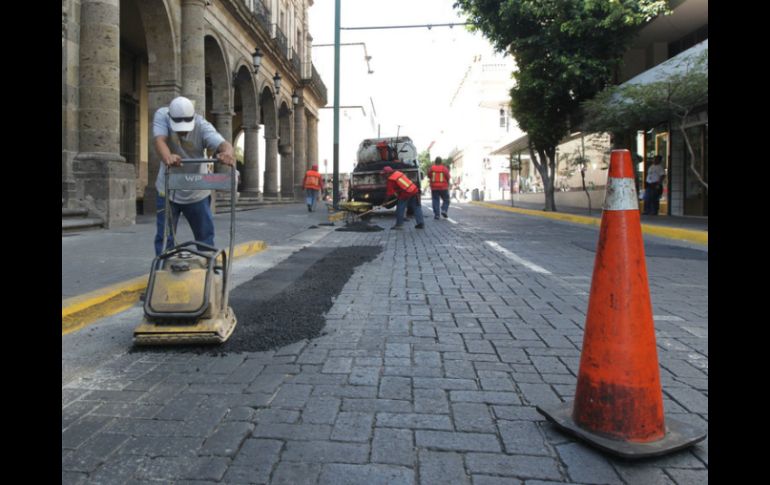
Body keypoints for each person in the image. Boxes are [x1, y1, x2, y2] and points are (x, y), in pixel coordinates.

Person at [152, 96, 235, 255]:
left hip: (197, 191)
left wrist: (227, 153)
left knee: (205, 239)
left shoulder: (202, 125)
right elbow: (159, 141)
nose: (182, 131)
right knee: (164, 238)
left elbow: (224, 144)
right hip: (168, 188)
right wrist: (168, 157)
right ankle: (163, 266)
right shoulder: (162, 115)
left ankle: (206, 265)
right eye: (179, 128)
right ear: (170, 117)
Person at [382, 166, 424, 230]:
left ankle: (399, 225)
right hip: (414, 190)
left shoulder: (391, 180)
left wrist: (385, 202)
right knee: (416, 207)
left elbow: (389, 194)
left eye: (384, 174)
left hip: (406, 193)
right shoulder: (398, 173)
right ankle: (420, 223)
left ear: (388, 173)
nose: (384, 176)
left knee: (400, 208)